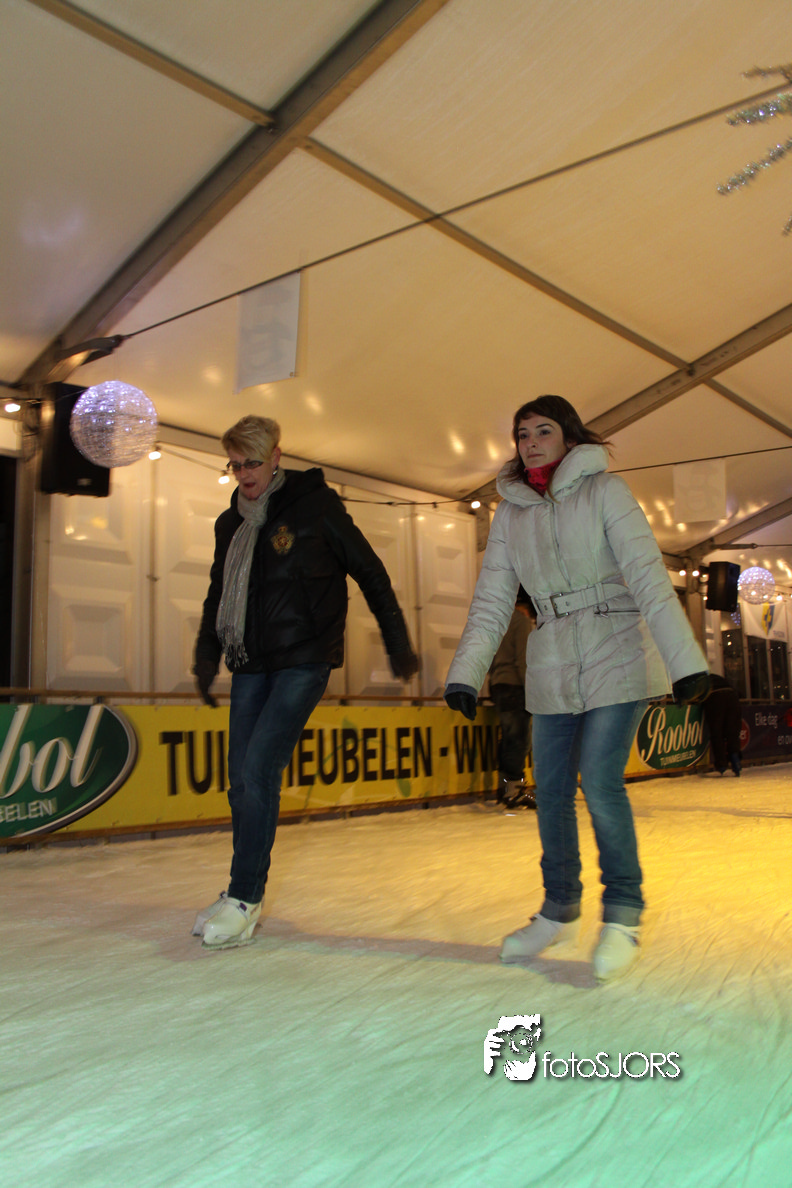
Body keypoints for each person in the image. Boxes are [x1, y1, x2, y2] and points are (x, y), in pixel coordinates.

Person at [445, 395, 709, 982]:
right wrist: (466, 671)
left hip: (617, 646)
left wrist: (685, 661)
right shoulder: (510, 515)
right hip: (552, 658)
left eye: (543, 431)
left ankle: (623, 913)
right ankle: (559, 910)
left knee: (601, 778)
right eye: (522, 434)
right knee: (554, 788)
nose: (532, 442)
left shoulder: (606, 491)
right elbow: (491, 600)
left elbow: (647, 575)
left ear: (569, 437)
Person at [192, 415, 418, 949]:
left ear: (275, 457)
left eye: (252, 462)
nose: (244, 474)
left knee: (258, 770)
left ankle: (245, 898)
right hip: (250, 662)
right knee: (239, 780)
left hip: (304, 659)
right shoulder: (230, 523)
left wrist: (397, 642)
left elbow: (370, 572)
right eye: (235, 464)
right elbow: (218, 591)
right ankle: (238, 890)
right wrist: (206, 655)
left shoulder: (316, 507)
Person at [488, 591, 536, 809]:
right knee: (519, 741)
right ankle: (514, 790)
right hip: (515, 687)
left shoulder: (496, 622)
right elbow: (523, 661)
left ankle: (505, 789)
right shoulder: (520, 622)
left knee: (507, 740)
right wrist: (532, 691)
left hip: (498, 686)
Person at [702, 673, 743, 776]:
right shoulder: (716, 678)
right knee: (732, 732)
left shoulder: (698, 682)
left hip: (715, 697)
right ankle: (735, 759)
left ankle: (721, 764)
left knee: (716, 733)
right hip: (732, 696)